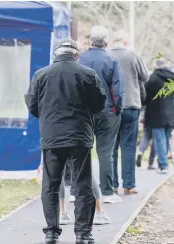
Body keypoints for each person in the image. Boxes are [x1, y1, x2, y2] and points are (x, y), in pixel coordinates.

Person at [25, 38, 107, 244]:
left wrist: (49, 118)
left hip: (52, 136)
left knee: (51, 185)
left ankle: (51, 232)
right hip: (79, 136)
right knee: (82, 185)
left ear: (56, 55)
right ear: (76, 55)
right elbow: (99, 103)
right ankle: (83, 233)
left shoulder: (40, 75)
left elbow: (32, 105)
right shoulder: (87, 74)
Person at [78, 25, 124, 203]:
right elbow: (117, 89)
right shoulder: (112, 59)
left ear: (91, 41)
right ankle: (107, 192)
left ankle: (80, 190)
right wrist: (117, 109)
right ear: (106, 41)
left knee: (81, 151)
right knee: (105, 151)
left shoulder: (80, 59)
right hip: (107, 111)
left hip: (83, 113)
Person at [108, 29, 148, 195]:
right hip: (131, 105)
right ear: (125, 42)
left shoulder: (107, 55)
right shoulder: (133, 56)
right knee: (129, 146)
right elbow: (145, 77)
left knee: (112, 148)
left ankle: (113, 185)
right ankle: (129, 184)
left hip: (111, 106)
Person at [144, 58, 174, 174]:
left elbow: (145, 96)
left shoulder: (152, 78)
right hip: (171, 114)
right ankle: (164, 163)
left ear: (155, 65)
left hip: (156, 113)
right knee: (166, 139)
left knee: (159, 140)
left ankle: (163, 165)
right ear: (167, 65)